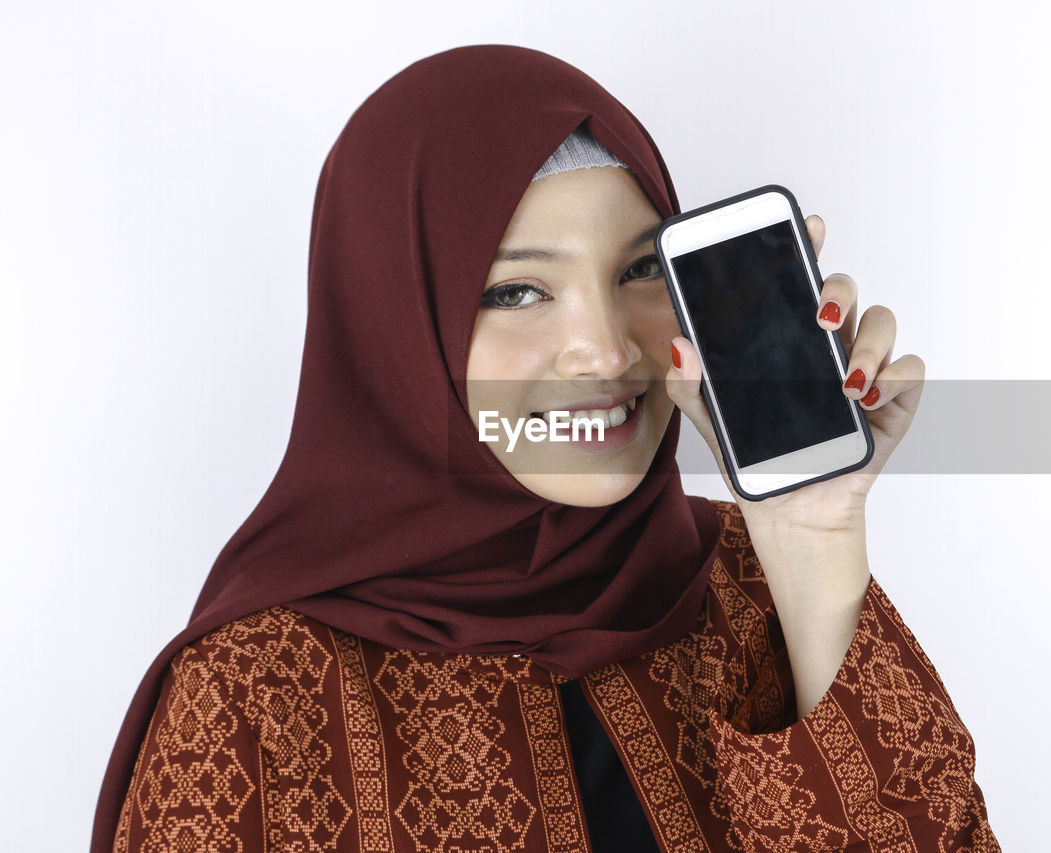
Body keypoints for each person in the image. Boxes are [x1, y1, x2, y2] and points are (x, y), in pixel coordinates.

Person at [91, 45, 999, 853]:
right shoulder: (249, 697)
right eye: (518, 292)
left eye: (642, 270)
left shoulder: (753, 587)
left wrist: (812, 536)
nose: (604, 351)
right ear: (394, 333)